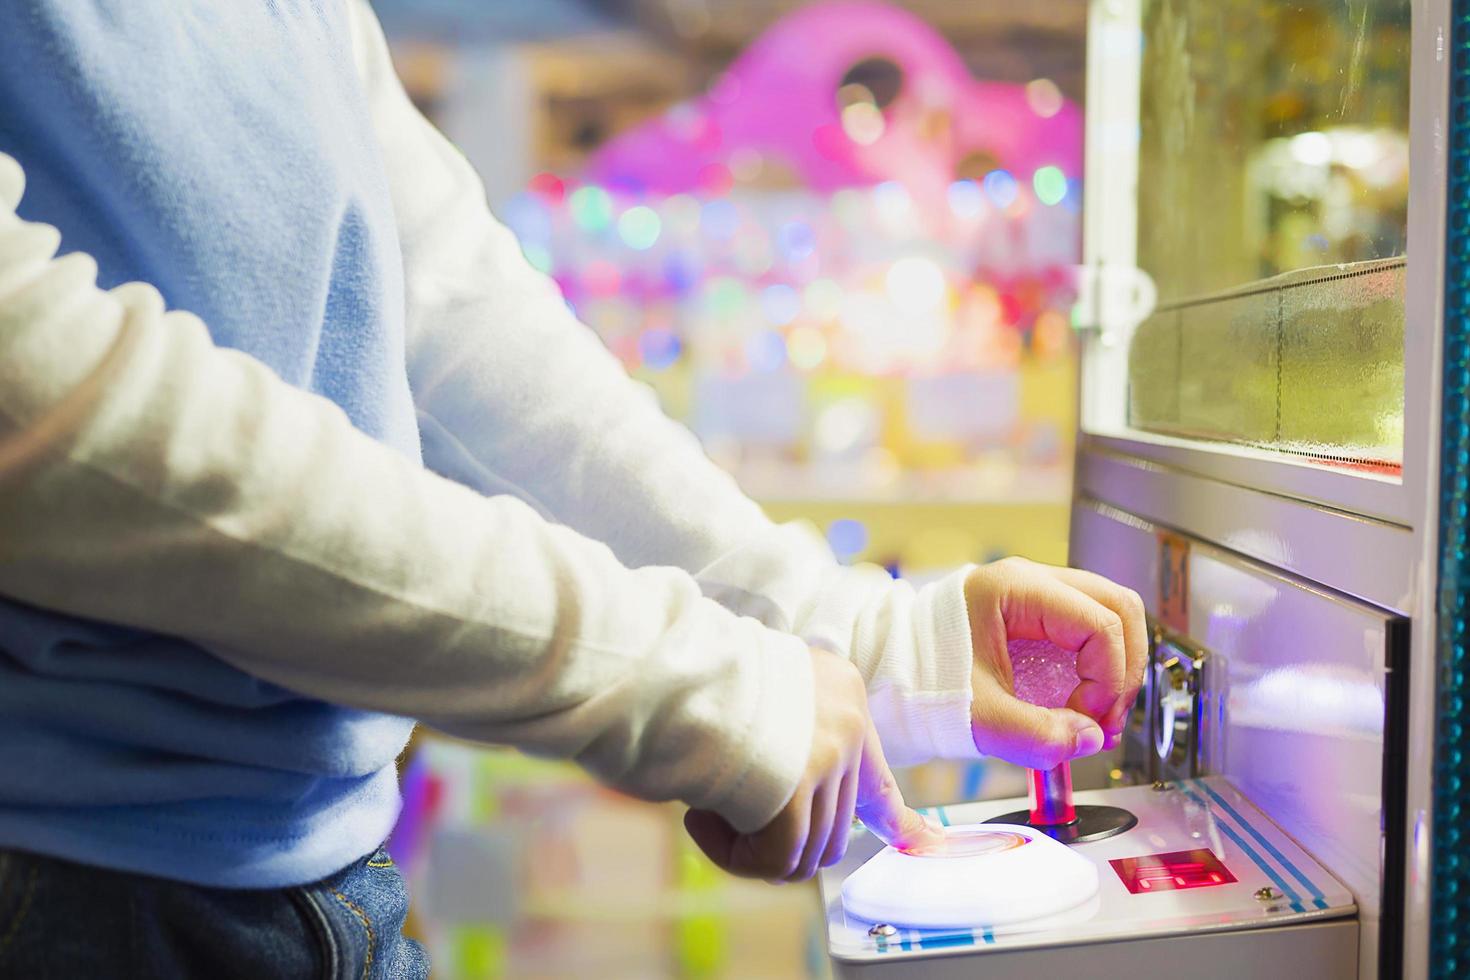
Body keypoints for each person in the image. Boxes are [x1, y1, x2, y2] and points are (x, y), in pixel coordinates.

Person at [0, 2, 1146, 977]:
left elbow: (442, 315)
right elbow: (52, 409)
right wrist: (694, 680)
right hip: (68, 890)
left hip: (312, 873)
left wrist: (866, 634)